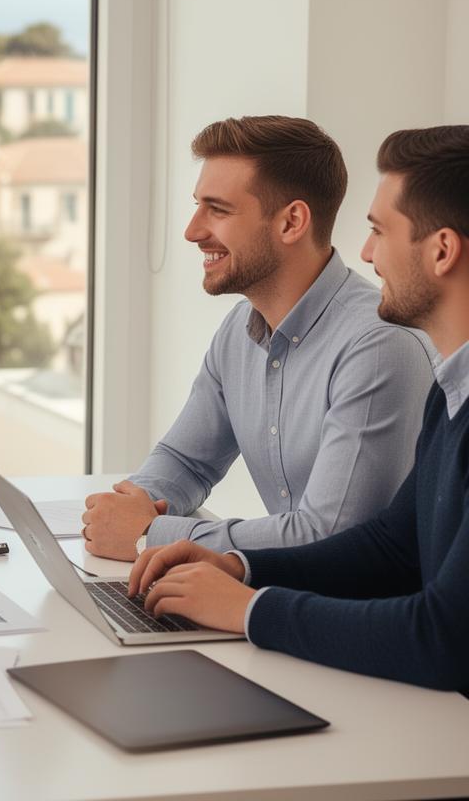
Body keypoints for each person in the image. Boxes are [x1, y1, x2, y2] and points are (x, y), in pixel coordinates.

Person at [129, 126, 469, 692]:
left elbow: (445, 638)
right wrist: (239, 569)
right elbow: (391, 545)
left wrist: (248, 609)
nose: (365, 253)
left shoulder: (390, 349)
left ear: (442, 251)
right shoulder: (451, 388)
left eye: (380, 231)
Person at [83, 116, 436, 560]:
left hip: (354, 613)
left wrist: (151, 534)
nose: (192, 231)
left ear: (292, 222)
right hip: (286, 592)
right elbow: (187, 459)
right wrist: (129, 505)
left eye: (218, 209)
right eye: (198, 206)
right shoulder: (238, 331)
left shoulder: (380, 346)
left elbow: (329, 535)